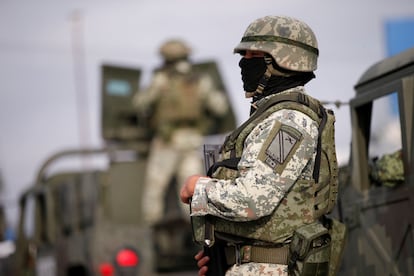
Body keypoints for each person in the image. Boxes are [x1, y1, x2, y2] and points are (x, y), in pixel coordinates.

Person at [180, 15, 344, 276]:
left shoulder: (289, 122)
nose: (244, 62)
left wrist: (198, 187)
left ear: (280, 61)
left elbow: (254, 198)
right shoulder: (271, 118)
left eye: (252, 56)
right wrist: (226, 255)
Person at [133, 38, 229, 225]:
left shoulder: (161, 79)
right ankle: (197, 229)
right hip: (191, 140)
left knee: (155, 188)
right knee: (191, 188)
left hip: (168, 141)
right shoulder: (200, 80)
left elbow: (140, 103)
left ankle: (152, 226)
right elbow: (220, 107)